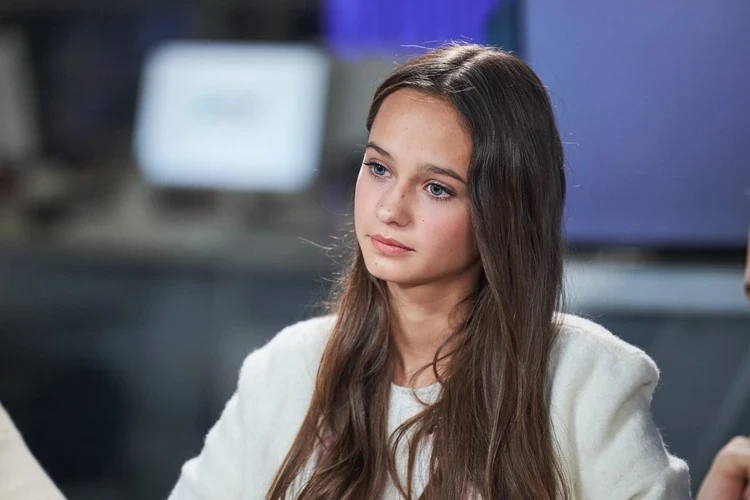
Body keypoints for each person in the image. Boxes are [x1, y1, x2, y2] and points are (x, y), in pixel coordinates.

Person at [167, 44, 692, 499]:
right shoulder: (287, 369)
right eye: (379, 168)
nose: (389, 209)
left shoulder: (586, 381)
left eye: (436, 188)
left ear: (504, 209)